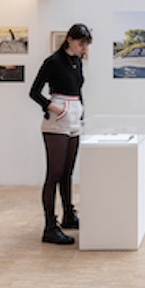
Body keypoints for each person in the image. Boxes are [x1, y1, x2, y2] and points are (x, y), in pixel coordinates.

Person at [29, 23, 92, 245]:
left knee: (67, 172)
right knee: (54, 173)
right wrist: (52, 107)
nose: (84, 48)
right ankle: (49, 227)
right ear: (70, 40)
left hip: (74, 119)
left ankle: (68, 215)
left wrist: (81, 113)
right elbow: (34, 92)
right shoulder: (53, 62)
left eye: (86, 45)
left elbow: (78, 90)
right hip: (57, 121)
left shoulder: (76, 62)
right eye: (81, 43)